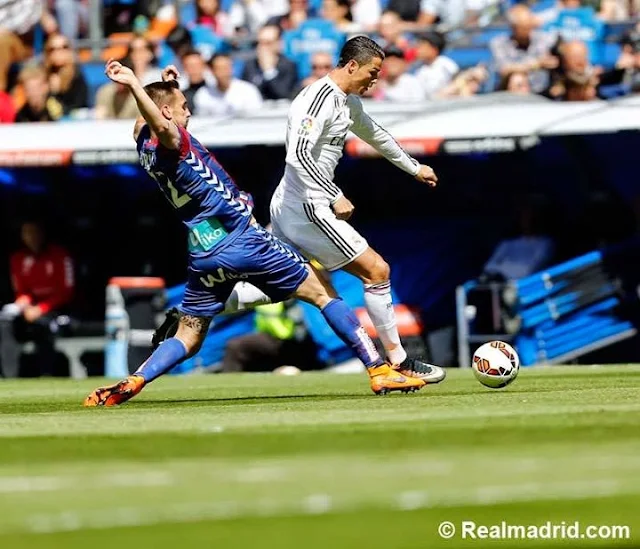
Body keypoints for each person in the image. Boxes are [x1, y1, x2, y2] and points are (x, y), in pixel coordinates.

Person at [83, 59, 426, 406]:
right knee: (323, 291)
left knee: (189, 336)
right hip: (242, 237)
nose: (189, 113)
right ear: (167, 114)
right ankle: (379, 369)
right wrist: (134, 83)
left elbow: (148, 119)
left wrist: (165, 87)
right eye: (183, 107)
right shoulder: (174, 140)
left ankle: (136, 378)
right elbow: (161, 122)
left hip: (203, 250)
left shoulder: (143, 144)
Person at [266, 35, 445, 384]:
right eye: (372, 72)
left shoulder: (346, 101)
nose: (376, 80)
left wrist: (414, 167)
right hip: (307, 204)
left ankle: (192, 313)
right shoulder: (317, 100)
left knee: (277, 283)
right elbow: (297, 155)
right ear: (351, 66)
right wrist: (333, 194)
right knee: (376, 270)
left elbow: (374, 133)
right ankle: (399, 361)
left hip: (293, 202)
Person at [0, 221, 74, 377]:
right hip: (29, 311)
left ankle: (46, 375)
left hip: (56, 310)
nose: (31, 237)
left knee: (43, 326)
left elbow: (65, 291)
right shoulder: (18, 259)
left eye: (34, 232)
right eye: (27, 233)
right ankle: (9, 377)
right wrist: (24, 303)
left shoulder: (60, 255)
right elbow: (22, 291)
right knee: (5, 321)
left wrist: (41, 308)